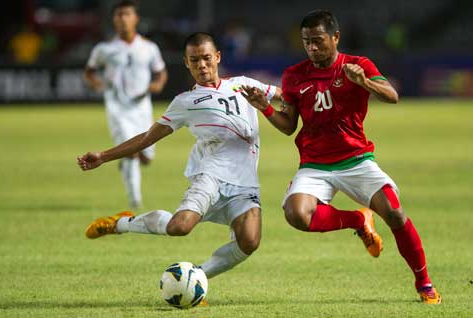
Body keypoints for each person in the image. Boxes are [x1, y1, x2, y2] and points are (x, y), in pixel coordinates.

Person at [241, 10, 441, 304]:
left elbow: (392, 95)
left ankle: (424, 283)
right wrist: (265, 108)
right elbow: (288, 127)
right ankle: (358, 221)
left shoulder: (358, 65)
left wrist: (365, 83)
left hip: (356, 159)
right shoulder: (295, 75)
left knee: (395, 213)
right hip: (315, 164)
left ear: (335, 37)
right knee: (296, 214)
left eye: (318, 41)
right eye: (307, 42)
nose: (312, 48)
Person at [78, 32, 281, 287]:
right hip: (211, 176)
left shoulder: (243, 84)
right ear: (186, 62)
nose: (202, 65)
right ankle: (121, 223)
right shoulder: (185, 102)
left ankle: (197, 279)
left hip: (245, 182)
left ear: (217, 57)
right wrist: (104, 156)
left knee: (250, 241)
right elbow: (147, 138)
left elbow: (289, 98)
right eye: (194, 60)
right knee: (179, 227)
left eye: (207, 58)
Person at [83, 0, 168, 208]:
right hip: (117, 107)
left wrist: (157, 84)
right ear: (113, 19)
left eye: (127, 14)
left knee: (146, 156)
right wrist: (97, 84)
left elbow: (161, 72)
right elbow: (89, 71)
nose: (122, 19)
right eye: (119, 15)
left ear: (136, 18)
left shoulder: (149, 48)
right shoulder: (104, 49)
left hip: (141, 107)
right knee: (132, 151)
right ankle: (135, 200)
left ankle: (127, 158)